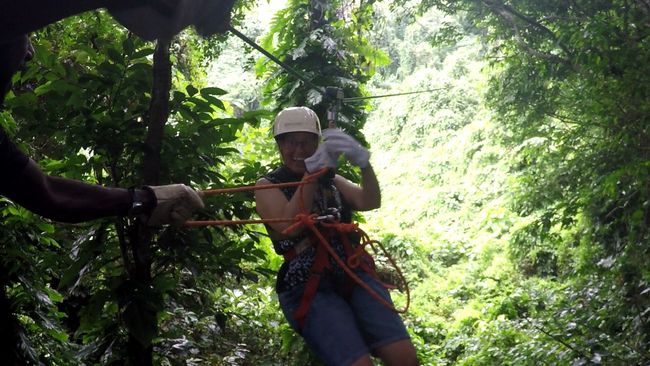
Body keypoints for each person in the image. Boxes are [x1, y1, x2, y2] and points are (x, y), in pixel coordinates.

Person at [254, 107, 419, 366]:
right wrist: (311, 172)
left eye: (306, 142)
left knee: (404, 358)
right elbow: (290, 224)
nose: (298, 149)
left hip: (352, 271)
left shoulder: (332, 180)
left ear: (316, 143)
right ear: (280, 144)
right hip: (308, 282)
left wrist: (364, 164)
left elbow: (369, 200)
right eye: (291, 142)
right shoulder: (267, 186)